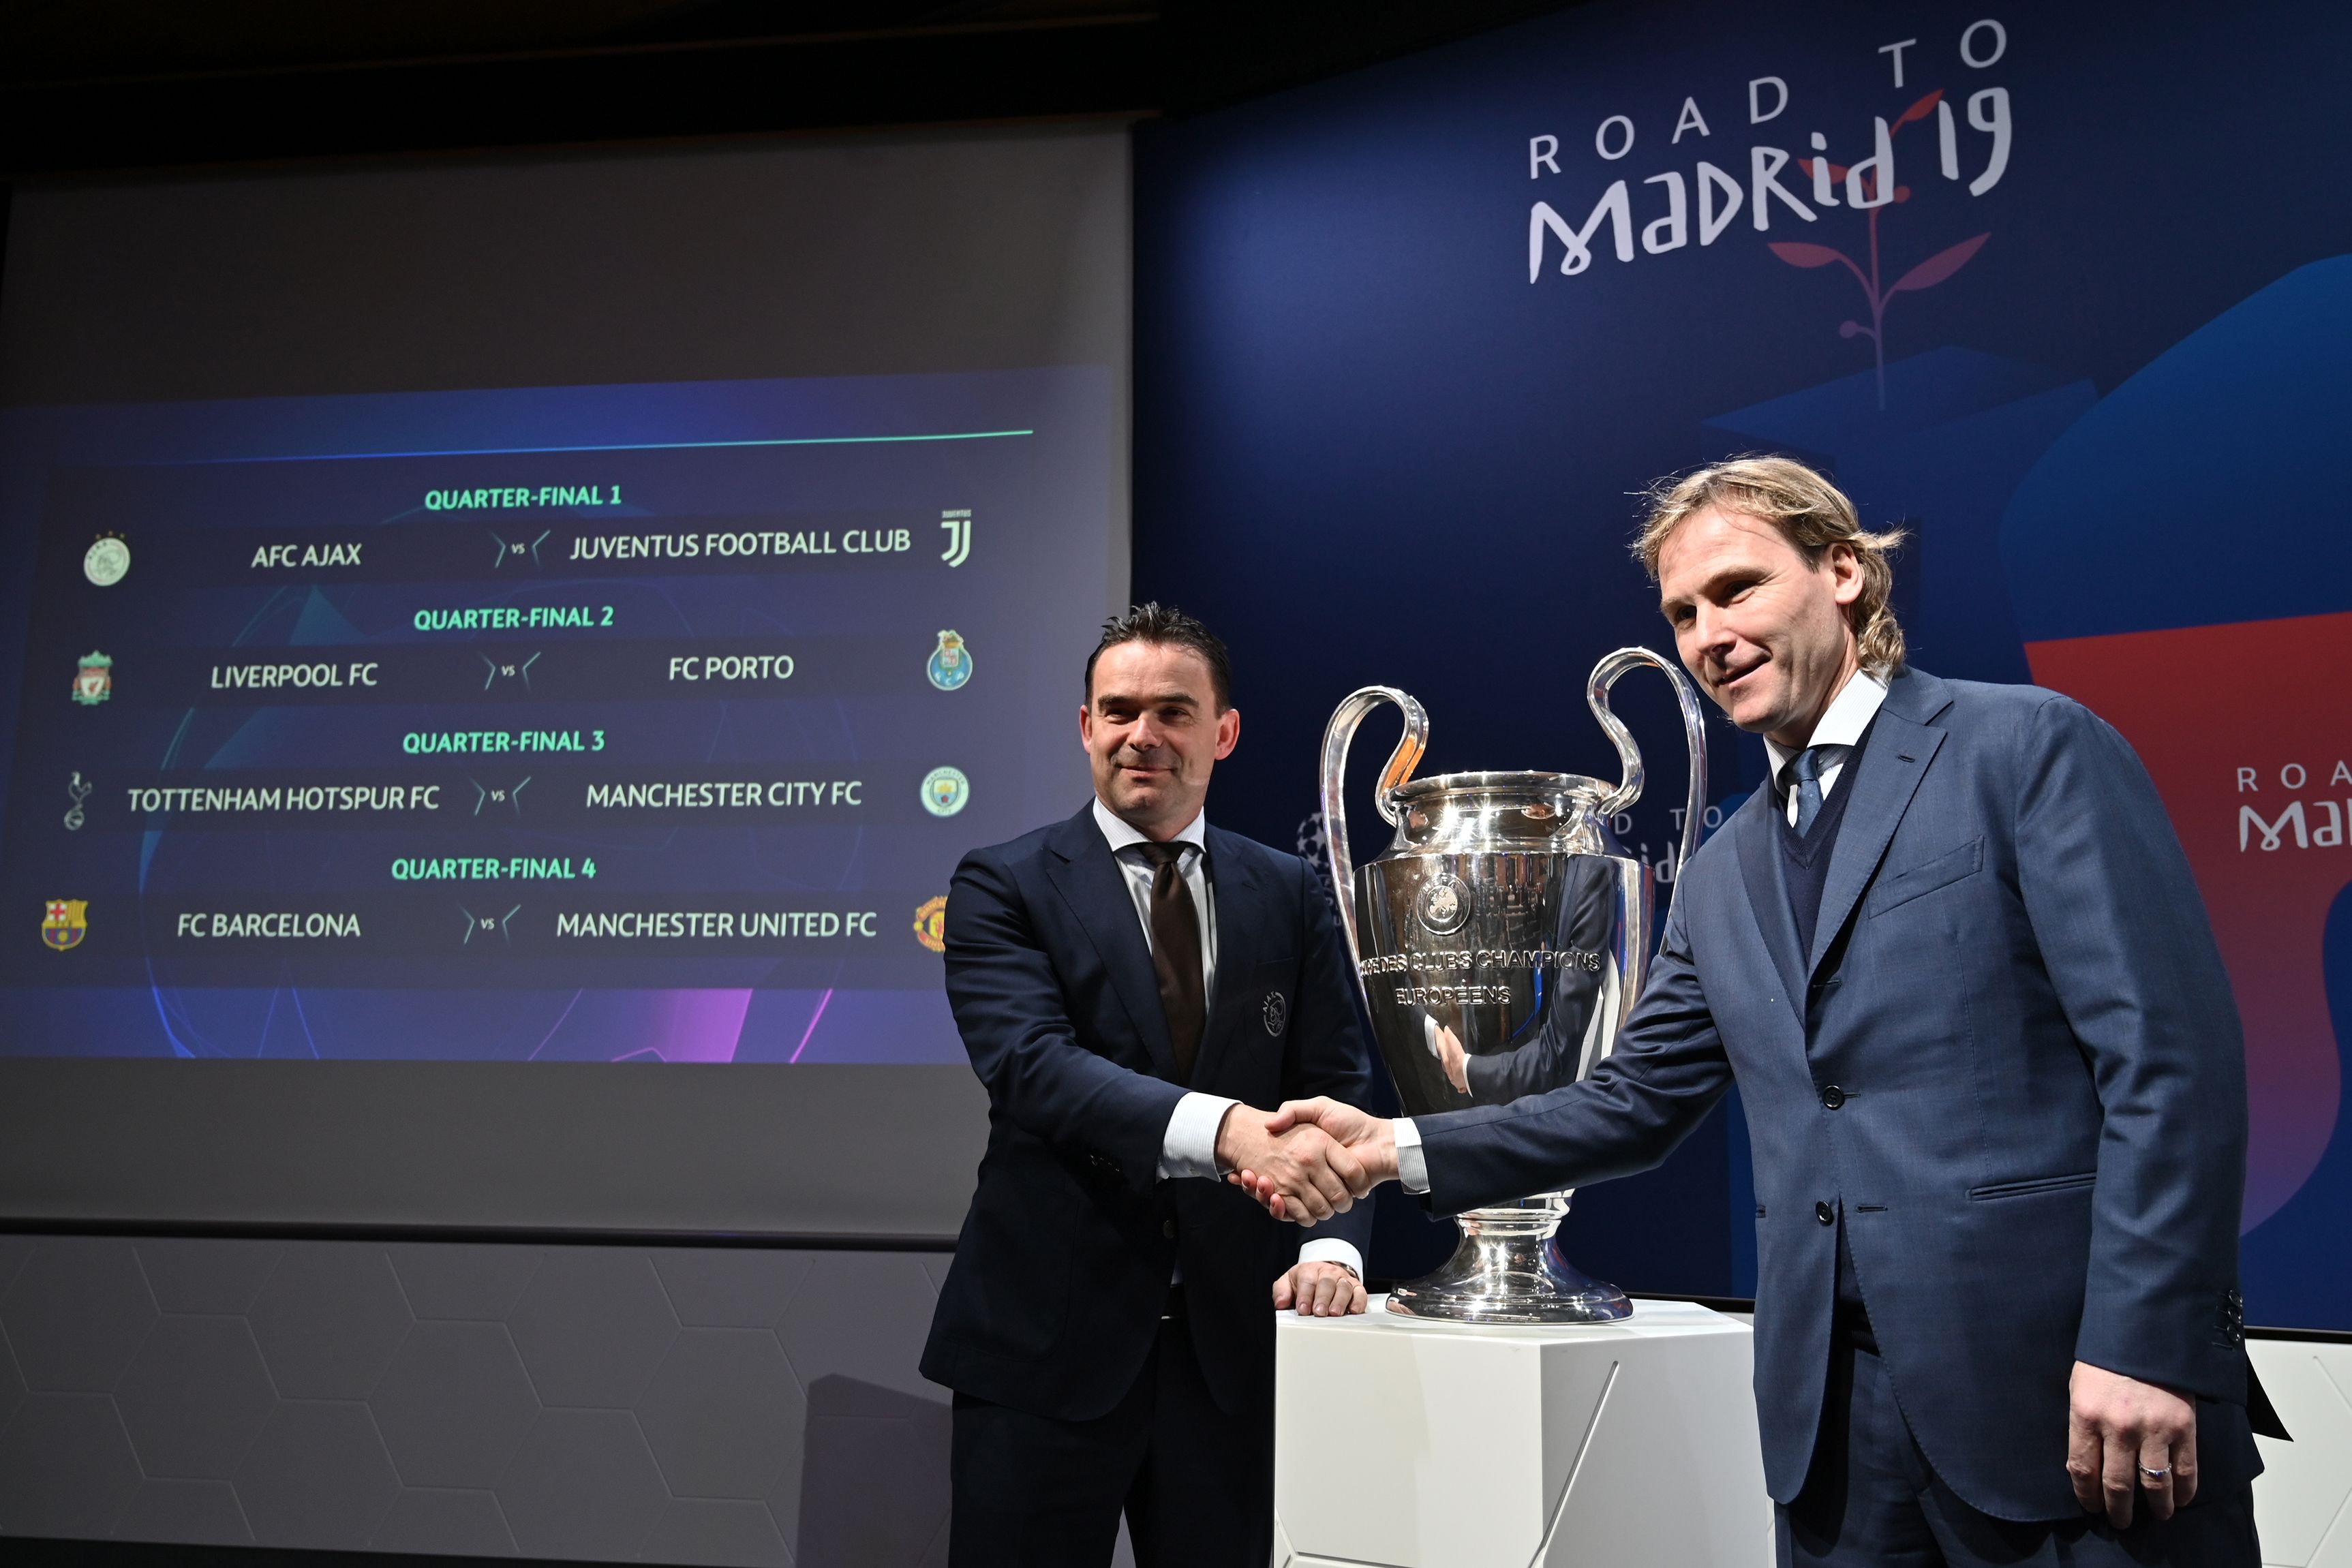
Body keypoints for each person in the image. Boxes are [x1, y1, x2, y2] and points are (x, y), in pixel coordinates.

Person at [1238, 457, 2269, 1566]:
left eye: (1737, 590)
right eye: (1683, 612)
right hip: (1833, 1445)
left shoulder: (2026, 749)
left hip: (2073, 1404)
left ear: (1845, 573)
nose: (1709, 635)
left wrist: (2147, 1342)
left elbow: (2170, 1065)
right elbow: (1633, 1102)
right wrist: (1393, 1145)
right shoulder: (1725, 870)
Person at [921, 602, 1379, 1568]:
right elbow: (1036, 1068)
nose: (1144, 735)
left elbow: (1335, 1082)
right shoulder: (1003, 885)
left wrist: (1333, 1244)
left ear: (1223, 731)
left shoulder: (1288, 890)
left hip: (1234, 1359)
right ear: (1085, 725)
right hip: (1044, 1354)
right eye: (1119, 709)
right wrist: (1231, 1135)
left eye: (1174, 711)